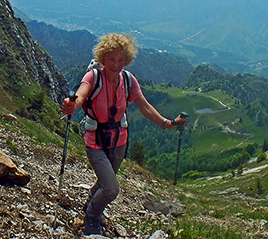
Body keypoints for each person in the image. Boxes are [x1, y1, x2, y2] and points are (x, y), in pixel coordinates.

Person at [62, 33, 187, 236]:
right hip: (95, 141)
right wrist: (71, 104)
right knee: (111, 188)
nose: (116, 64)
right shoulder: (93, 77)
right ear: (103, 58)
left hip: (119, 141)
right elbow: (81, 95)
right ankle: (91, 217)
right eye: (111, 59)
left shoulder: (128, 80)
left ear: (127, 60)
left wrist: (168, 124)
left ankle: (91, 206)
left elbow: (145, 107)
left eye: (121, 60)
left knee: (105, 181)